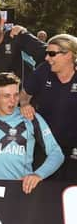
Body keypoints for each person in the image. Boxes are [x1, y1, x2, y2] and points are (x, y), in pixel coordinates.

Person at [0, 72, 63, 194]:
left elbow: (56, 153)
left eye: (16, 95)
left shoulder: (31, 118)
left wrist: (38, 175)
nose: (13, 101)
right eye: (6, 96)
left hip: (19, 190)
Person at [21, 34, 77, 181]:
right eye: (47, 53)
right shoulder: (44, 70)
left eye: (52, 54)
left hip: (73, 148)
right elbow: (24, 95)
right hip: (45, 146)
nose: (47, 58)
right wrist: (25, 105)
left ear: (69, 55)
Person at [0, 5, 46, 103]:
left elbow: (47, 54)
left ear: (2, 23)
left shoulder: (17, 36)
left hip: (22, 103)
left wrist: (31, 87)